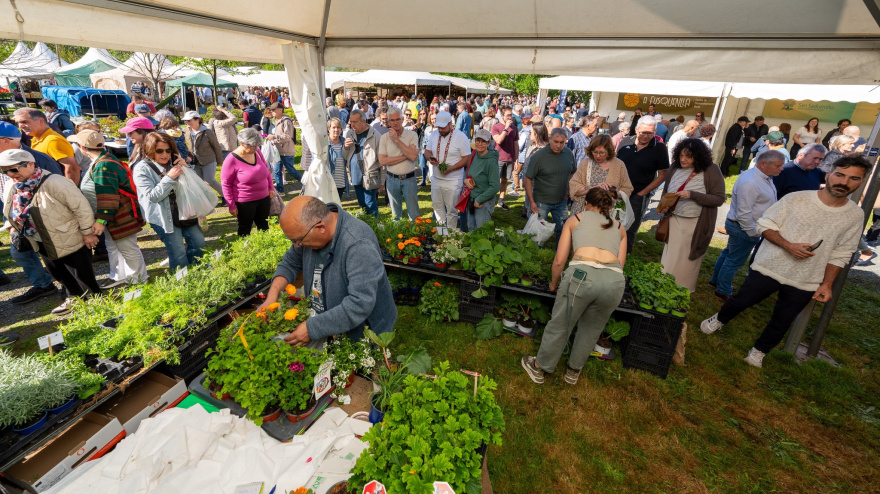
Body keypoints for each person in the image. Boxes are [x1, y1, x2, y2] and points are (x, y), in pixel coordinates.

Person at [701, 154, 869, 368]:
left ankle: (759, 351)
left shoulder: (854, 215)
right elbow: (764, 225)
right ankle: (720, 319)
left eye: (853, 179)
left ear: (861, 182)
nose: (844, 182)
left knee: (783, 319)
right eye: (840, 175)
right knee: (742, 300)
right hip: (769, 266)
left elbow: (842, 252)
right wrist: (789, 246)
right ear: (828, 175)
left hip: (806, 278)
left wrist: (827, 284)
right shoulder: (796, 198)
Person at [520, 188, 627, 385]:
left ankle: (539, 367)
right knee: (592, 328)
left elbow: (560, 261)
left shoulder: (575, 220)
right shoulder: (620, 227)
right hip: (614, 281)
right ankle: (573, 371)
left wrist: (554, 283)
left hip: (581, 277)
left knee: (561, 324)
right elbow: (620, 264)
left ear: (586, 203)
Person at [258, 196, 397, 346]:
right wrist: (271, 298)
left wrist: (311, 328)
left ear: (320, 228)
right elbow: (289, 263)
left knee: (362, 367)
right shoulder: (307, 233)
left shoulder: (358, 243)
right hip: (330, 324)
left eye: (297, 240)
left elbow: (359, 304)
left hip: (366, 330)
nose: (297, 246)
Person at [1, 149, 102, 315]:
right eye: (4, 171)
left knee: (83, 276)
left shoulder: (55, 182)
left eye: (14, 169)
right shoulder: (14, 185)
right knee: (59, 273)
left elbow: (81, 208)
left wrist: (87, 233)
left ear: (31, 164)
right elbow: (11, 209)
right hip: (40, 239)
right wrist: (13, 227)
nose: (10, 174)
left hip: (69, 238)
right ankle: (76, 300)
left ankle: (98, 306)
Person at [72, 129, 147, 287]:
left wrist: (101, 219)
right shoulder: (103, 159)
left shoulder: (103, 165)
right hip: (115, 214)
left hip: (119, 214)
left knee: (128, 248)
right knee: (113, 246)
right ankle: (118, 275)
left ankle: (139, 280)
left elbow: (107, 195)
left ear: (83, 147)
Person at [709, 150, 786, 301]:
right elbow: (743, 212)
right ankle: (722, 290)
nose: (781, 169)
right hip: (744, 228)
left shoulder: (762, 177)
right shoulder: (751, 182)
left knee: (729, 254)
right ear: (764, 164)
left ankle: (716, 281)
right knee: (734, 260)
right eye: (778, 165)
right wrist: (753, 232)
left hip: (743, 226)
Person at [658, 138, 726, 292]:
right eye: (681, 155)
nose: (683, 159)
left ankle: (682, 288)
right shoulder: (674, 168)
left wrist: (693, 195)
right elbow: (666, 190)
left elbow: (719, 199)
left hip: (695, 224)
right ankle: (664, 283)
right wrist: (663, 205)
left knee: (687, 259)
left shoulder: (711, 170)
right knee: (671, 256)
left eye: (688, 156)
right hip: (674, 219)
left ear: (699, 156)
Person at [133, 132, 204, 272]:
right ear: (149, 150)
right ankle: (182, 284)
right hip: (163, 217)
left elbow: (197, 184)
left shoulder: (174, 162)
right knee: (178, 253)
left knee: (198, 243)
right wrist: (169, 178)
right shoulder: (142, 168)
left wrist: (186, 168)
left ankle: (198, 272)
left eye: (168, 150)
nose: (164, 154)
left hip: (185, 210)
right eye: (159, 151)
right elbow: (153, 196)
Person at [617, 115, 669, 252]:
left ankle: (624, 259)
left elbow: (662, 175)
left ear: (655, 132)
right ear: (636, 129)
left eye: (650, 133)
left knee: (630, 229)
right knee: (613, 223)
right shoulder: (625, 142)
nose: (646, 136)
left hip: (638, 195)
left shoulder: (660, 148)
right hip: (618, 192)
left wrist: (642, 193)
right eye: (643, 132)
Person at [525, 128, 577, 243]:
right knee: (537, 231)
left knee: (563, 228)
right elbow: (528, 178)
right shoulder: (538, 156)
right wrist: (531, 201)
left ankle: (559, 252)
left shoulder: (568, 153)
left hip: (562, 201)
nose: (558, 145)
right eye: (555, 141)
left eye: (561, 142)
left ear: (566, 141)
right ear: (549, 139)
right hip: (541, 201)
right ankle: (534, 254)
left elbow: (572, 171)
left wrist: (569, 190)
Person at [221, 128, 275, 236]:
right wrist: (231, 205)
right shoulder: (231, 159)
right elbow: (226, 184)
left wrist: (270, 187)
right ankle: (245, 250)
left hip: (264, 198)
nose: (256, 148)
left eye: (257, 146)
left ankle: (266, 247)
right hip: (245, 202)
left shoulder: (257, 152)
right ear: (242, 144)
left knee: (264, 226)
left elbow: (266, 170)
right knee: (245, 229)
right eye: (253, 146)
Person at [425, 111, 471, 229]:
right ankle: (441, 234)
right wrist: (430, 158)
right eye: (439, 127)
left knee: (451, 210)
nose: (440, 130)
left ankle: (450, 236)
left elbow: (466, 158)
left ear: (451, 124)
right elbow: (427, 151)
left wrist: (451, 168)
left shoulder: (461, 137)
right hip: (436, 178)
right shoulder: (434, 134)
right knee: (437, 207)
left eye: (443, 127)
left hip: (453, 180)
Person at [569, 134, 634, 215]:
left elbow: (627, 188)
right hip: (583, 210)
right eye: (595, 152)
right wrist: (593, 189)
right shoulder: (585, 163)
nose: (598, 156)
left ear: (609, 151)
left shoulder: (619, 165)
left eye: (602, 153)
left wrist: (613, 194)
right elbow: (574, 187)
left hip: (607, 213)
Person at [13, 108, 80, 183]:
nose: (20, 126)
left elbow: (72, 168)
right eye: (18, 123)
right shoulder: (37, 138)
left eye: (24, 122)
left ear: (40, 121)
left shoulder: (53, 140)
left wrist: (69, 191)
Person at [379, 107, 420, 221]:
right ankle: (397, 238)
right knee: (395, 216)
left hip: (409, 178)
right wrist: (406, 155)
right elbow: (383, 161)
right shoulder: (384, 138)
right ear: (388, 121)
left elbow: (413, 157)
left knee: (414, 214)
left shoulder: (412, 135)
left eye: (397, 119)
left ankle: (417, 237)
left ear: (402, 120)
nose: (395, 122)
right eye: (392, 120)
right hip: (392, 179)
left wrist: (397, 140)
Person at [343, 109, 383, 217]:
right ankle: (367, 223)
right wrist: (345, 147)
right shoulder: (349, 133)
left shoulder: (375, 135)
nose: (352, 125)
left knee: (370, 202)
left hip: (370, 174)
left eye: (355, 122)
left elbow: (382, 160)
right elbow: (345, 155)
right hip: (355, 173)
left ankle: (374, 226)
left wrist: (382, 181)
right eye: (351, 122)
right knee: (362, 202)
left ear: (363, 121)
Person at [182, 111, 225, 204]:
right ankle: (205, 201)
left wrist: (219, 161)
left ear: (197, 120)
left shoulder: (207, 131)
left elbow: (216, 146)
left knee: (210, 180)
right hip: (194, 161)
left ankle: (225, 196)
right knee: (199, 183)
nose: (187, 122)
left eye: (189, 120)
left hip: (208, 159)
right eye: (185, 120)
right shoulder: (184, 131)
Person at [466, 129, 501, 230]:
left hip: (483, 202)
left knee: (481, 233)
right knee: (471, 229)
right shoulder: (474, 155)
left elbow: (495, 186)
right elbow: (467, 172)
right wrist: (465, 180)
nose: (479, 144)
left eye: (483, 141)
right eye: (478, 140)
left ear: (488, 143)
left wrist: (479, 200)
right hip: (471, 198)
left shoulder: (491, 161)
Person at [491, 106, 519, 211]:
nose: (510, 117)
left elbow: (516, 145)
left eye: (511, 115)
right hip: (498, 158)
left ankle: (501, 201)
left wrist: (516, 159)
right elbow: (498, 141)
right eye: (508, 115)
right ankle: (490, 200)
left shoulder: (515, 128)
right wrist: (505, 128)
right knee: (494, 181)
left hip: (510, 159)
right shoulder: (496, 127)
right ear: (502, 116)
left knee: (505, 180)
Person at [327, 118, 350, 198]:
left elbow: (348, 159)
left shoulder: (345, 142)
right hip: (328, 181)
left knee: (336, 205)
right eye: (333, 127)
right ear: (329, 129)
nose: (336, 130)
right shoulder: (324, 143)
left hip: (340, 180)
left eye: (338, 127)